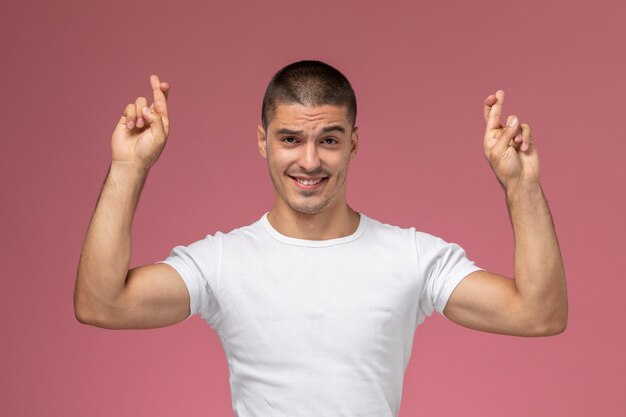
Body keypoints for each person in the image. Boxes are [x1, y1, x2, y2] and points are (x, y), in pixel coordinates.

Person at [74, 61, 567, 416]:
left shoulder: (413, 257)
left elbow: (538, 314)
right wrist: (127, 167)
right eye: (291, 139)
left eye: (328, 139)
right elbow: (102, 304)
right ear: (264, 140)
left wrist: (521, 186)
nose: (309, 161)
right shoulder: (222, 261)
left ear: (353, 144)